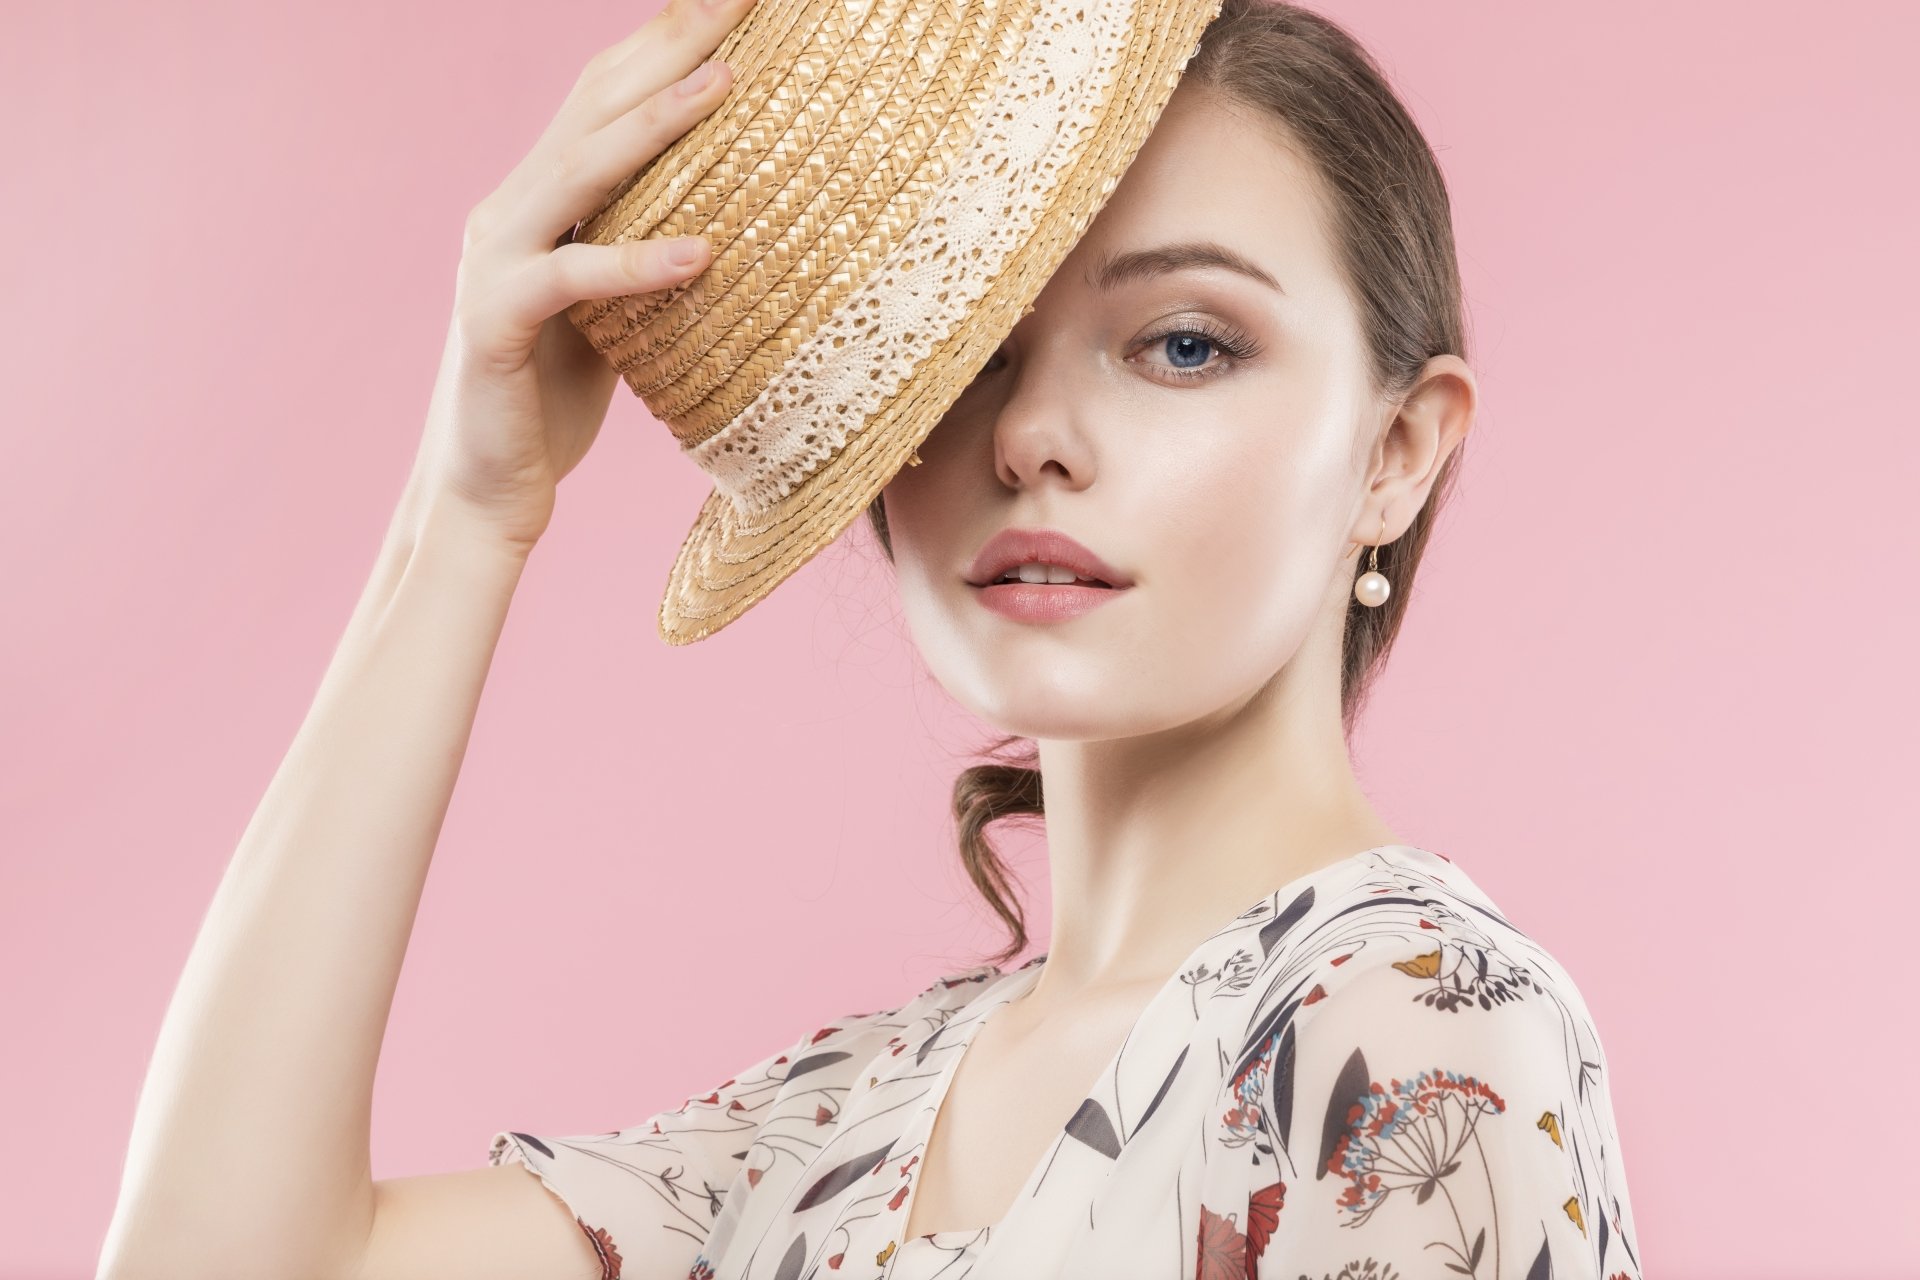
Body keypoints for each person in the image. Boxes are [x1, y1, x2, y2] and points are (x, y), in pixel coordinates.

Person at [97, 1, 1642, 1278]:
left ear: (1398, 452)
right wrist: (468, 513)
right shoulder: (843, 1123)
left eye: (1183, 344)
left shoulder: (1417, 1021)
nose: (1033, 434)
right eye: (964, 358)